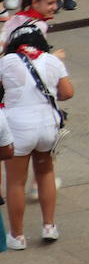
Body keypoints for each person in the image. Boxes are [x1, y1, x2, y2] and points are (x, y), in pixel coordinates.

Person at [1, 22, 72, 248]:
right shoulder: (52, 60)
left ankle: (18, 236)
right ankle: (49, 226)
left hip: (18, 127)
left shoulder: (6, 61)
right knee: (46, 172)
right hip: (47, 126)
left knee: (16, 182)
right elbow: (67, 92)